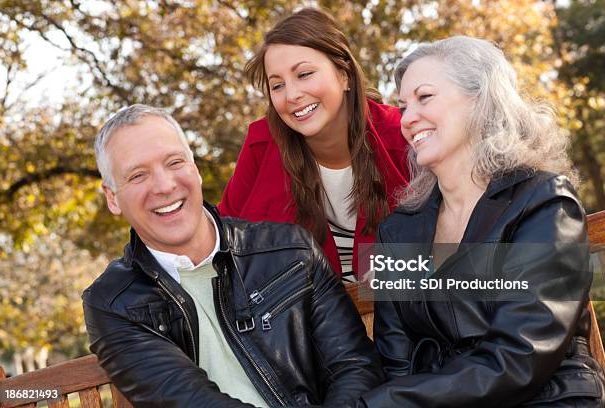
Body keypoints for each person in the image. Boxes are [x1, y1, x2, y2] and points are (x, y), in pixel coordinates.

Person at [347, 36, 605, 407]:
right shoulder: (397, 230)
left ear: (480, 100)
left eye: (425, 97)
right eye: (403, 106)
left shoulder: (545, 201)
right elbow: (397, 363)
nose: (406, 119)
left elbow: (520, 357)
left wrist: (378, 403)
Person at [82, 104, 384, 408]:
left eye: (174, 162)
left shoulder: (290, 249)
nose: (164, 185)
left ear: (195, 170)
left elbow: (355, 367)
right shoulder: (113, 303)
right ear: (112, 198)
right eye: (138, 175)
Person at [218, 8, 409, 283]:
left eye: (304, 74)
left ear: (344, 75)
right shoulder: (261, 145)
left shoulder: (403, 136)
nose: (292, 95)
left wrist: (396, 276)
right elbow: (223, 247)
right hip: (309, 321)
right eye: (277, 85)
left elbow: (479, 267)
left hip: (409, 316)